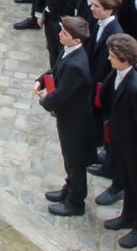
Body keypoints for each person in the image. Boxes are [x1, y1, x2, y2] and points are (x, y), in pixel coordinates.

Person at [36, 16, 96, 217]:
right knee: (68, 156)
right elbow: (55, 69)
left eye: (64, 34)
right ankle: (69, 188)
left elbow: (62, 94)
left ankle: (75, 201)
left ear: (77, 40)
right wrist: (41, 81)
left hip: (76, 120)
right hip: (68, 117)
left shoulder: (76, 66)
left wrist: (44, 101)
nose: (60, 35)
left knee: (75, 159)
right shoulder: (68, 51)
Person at [101, 34, 137, 249]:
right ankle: (128, 215)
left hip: (134, 147)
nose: (109, 59)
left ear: (125, 59)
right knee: (127, 181)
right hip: (120, 140)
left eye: (112, 56)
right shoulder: (118, 74)